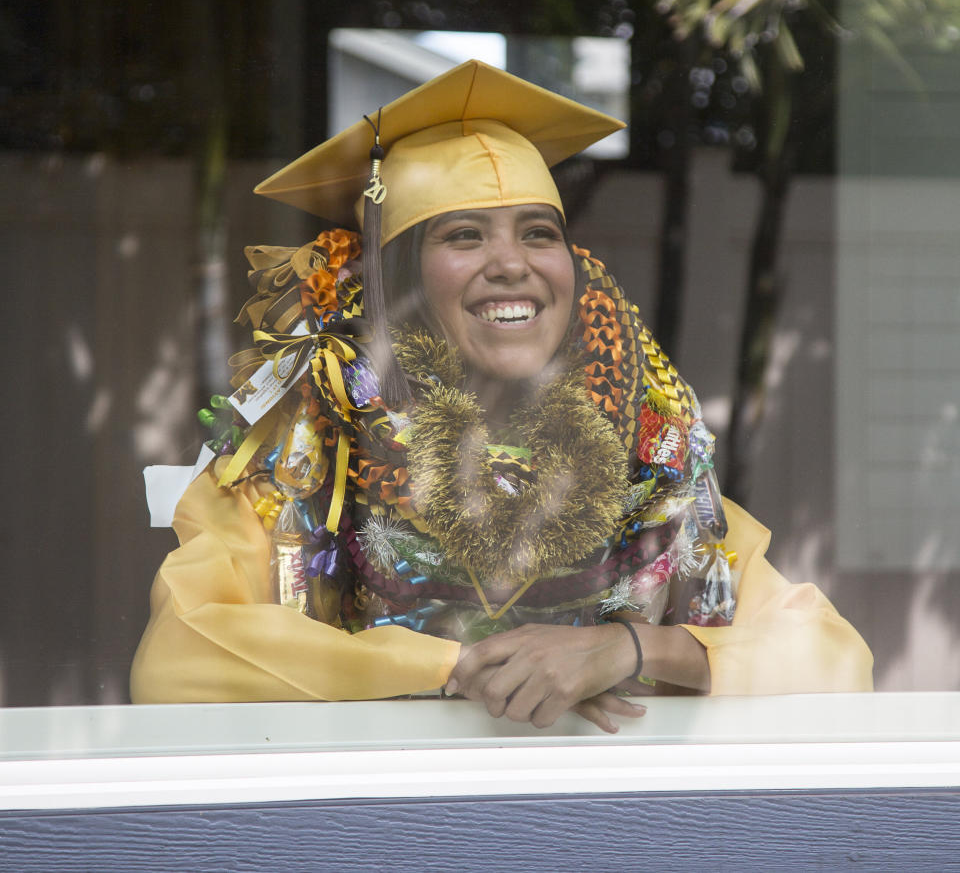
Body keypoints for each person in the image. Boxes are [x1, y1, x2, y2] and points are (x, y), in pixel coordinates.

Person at [131, 60, 873, 725]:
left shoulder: (647, 454)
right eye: (463, 236)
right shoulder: (309, 451)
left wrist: (631, 648)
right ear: (401, 282)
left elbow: (837, 660)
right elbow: (178, 654)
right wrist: (453, 667)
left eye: (537, 233)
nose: (511, 263)